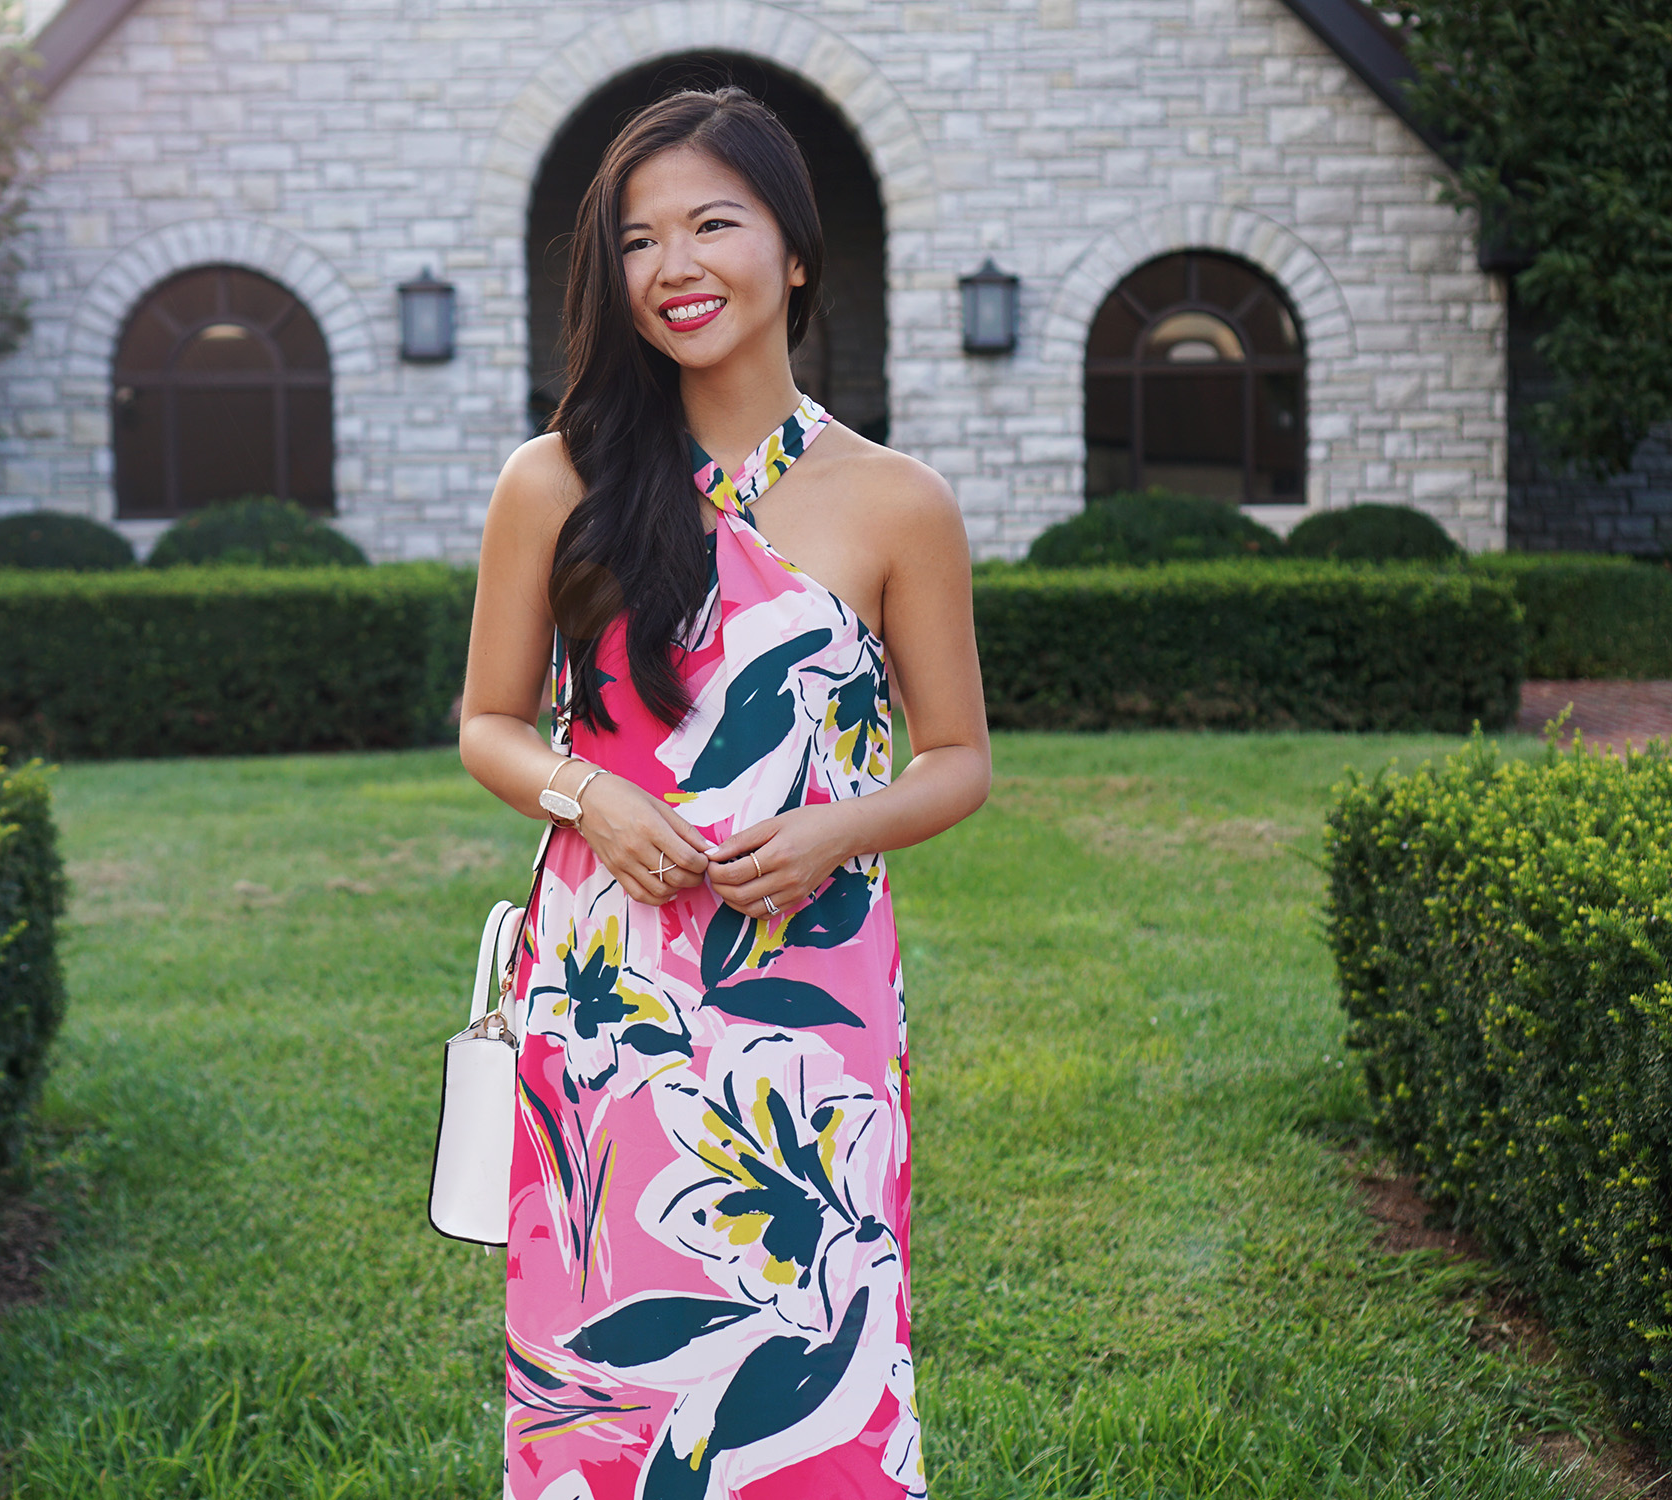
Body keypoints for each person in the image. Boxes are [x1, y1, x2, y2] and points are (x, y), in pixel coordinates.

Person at [458, 84, 990, 1500]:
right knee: (608, 1361)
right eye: (637, 242)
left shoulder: (896, 501)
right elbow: (488, 725)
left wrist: (837, 826)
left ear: (796, 253)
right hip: (604, 992)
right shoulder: (551, 479)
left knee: (820, 1338)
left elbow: (960, 761)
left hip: (807, 1002)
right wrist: (583, 795)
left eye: (712, 224)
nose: (674, 267)